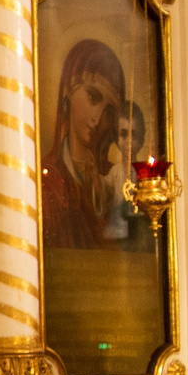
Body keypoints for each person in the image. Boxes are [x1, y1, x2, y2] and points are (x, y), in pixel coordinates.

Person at [41, 39, 126, 252]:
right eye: (93, 97)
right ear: (69, 91)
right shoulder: (47, 178)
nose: (98, 119)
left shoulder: (115, 180)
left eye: (109, 112)